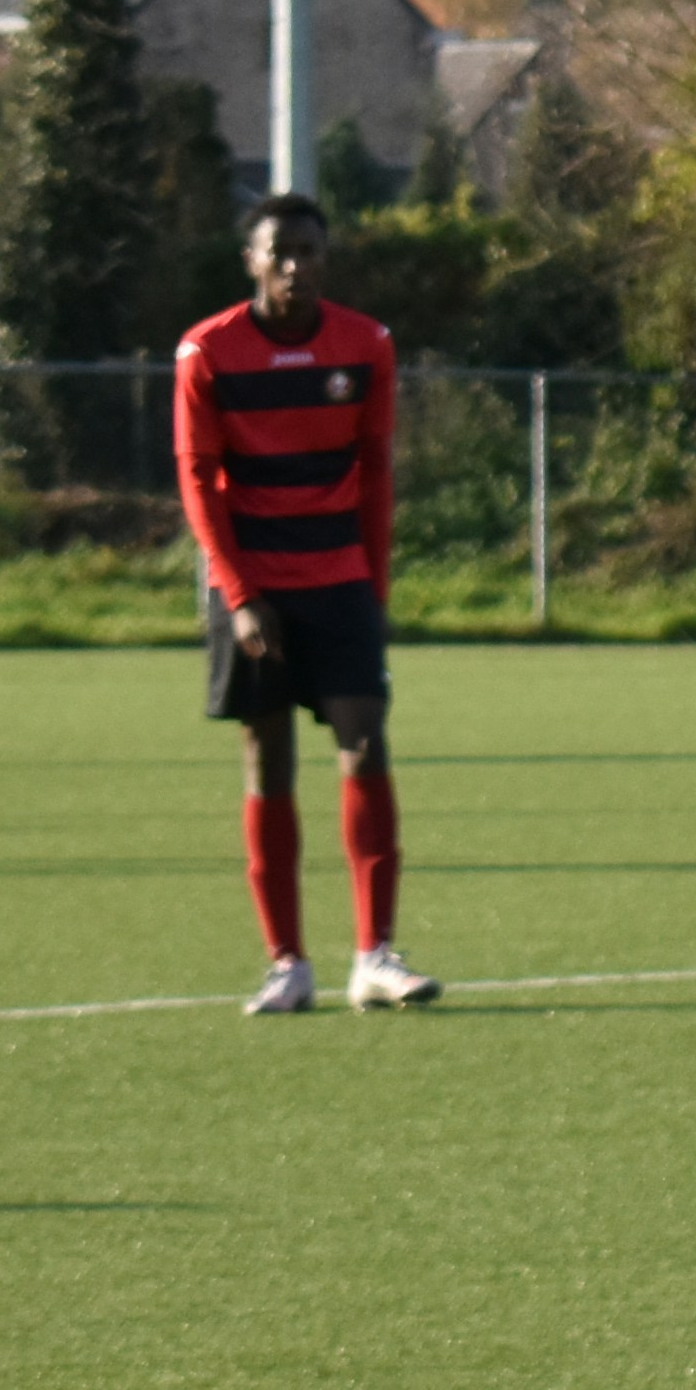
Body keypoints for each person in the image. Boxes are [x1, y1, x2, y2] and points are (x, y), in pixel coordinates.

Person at [181, 196, 436, 1013]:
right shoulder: (207, 351)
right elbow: (197, 482)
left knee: (366, 744)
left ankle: (376, 956)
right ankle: (287, 963)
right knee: (269, 761)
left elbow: (377, 471)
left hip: (339, 581)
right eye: (279, 252)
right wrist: (240, 592)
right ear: (250, 261)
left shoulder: (366, 345)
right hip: (252, 586)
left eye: (310, 252)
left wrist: (374, 591)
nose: (296, 266)